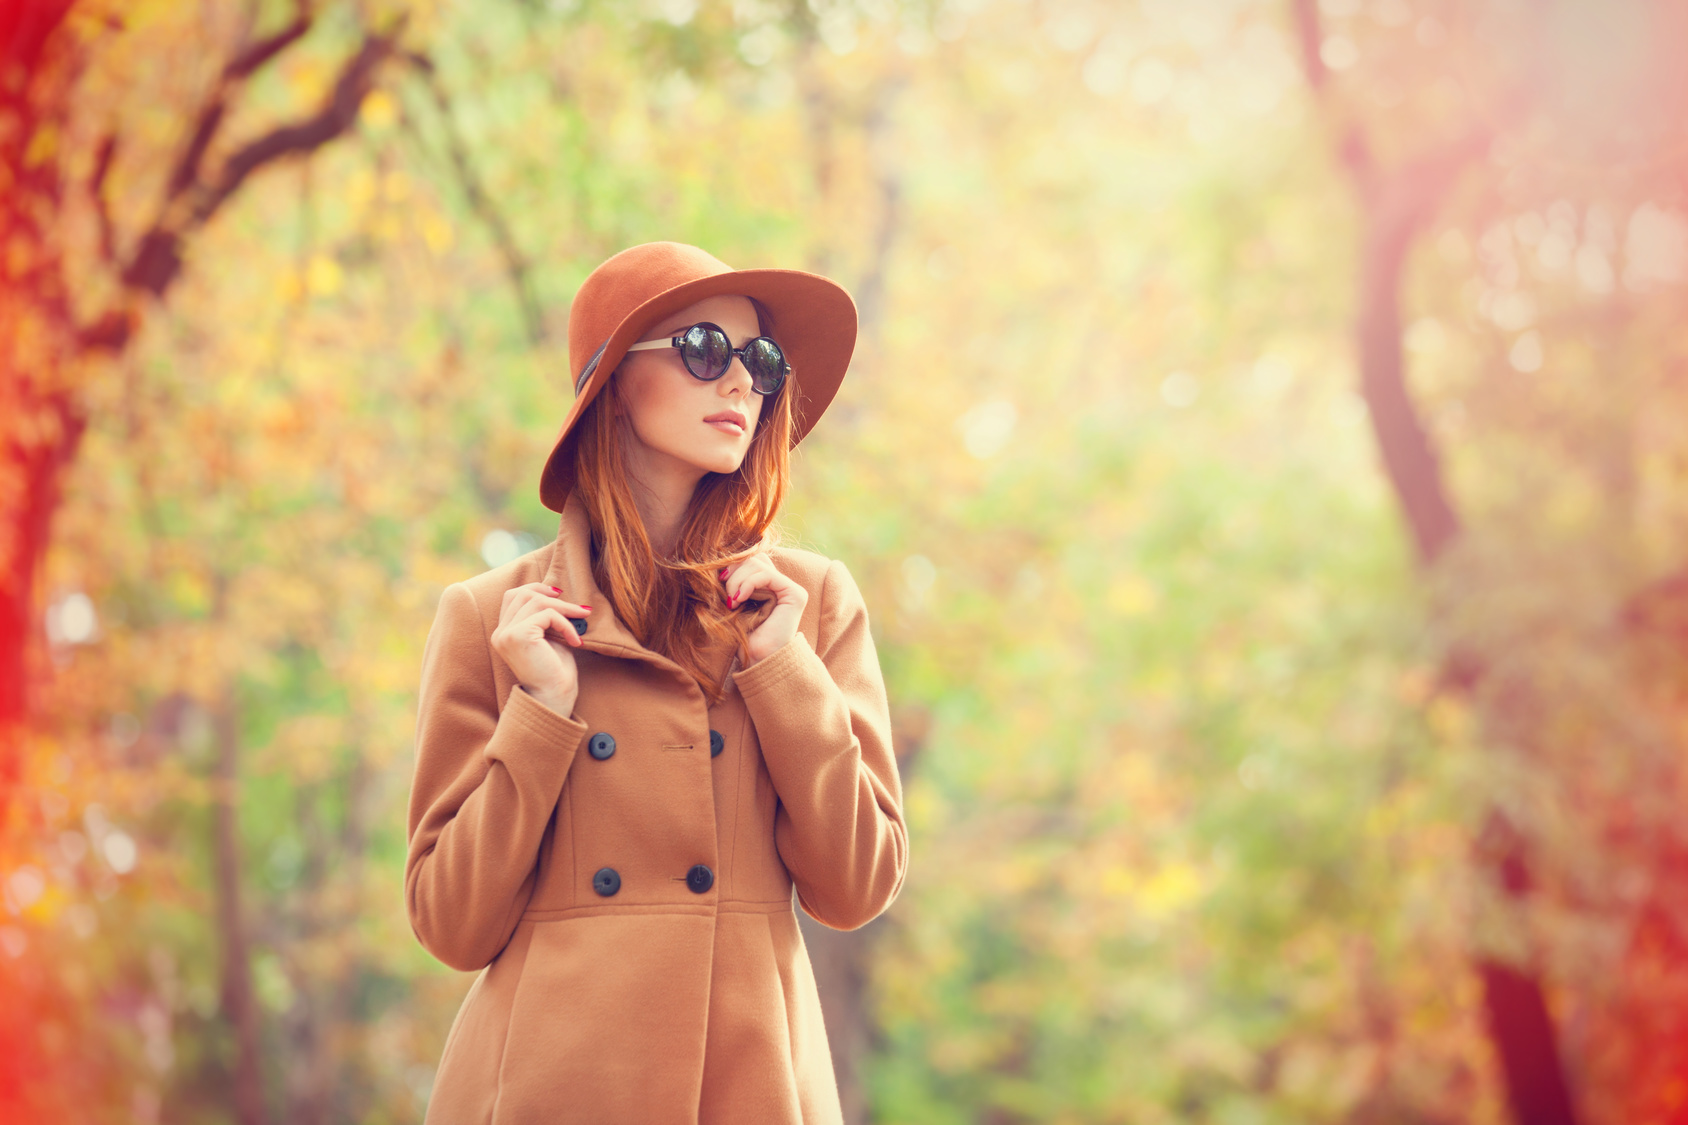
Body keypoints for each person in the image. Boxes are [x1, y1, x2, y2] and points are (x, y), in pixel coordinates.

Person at [404, 241, 907, 1124]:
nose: (743, 383)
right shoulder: (494, 619)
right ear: (613, 385)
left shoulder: (810, 604)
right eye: (706, 349)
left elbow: (859, 882)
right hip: (548, 1088)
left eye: (761, 361)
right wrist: (542, 712)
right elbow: (451, 924)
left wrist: (781, 671)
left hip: (748, 1086)